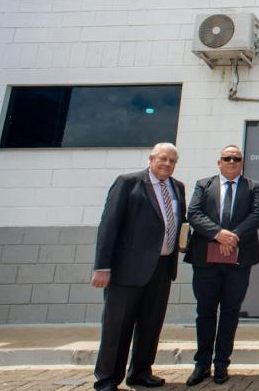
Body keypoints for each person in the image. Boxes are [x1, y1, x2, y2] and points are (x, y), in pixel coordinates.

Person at [91, 143, 185, 391]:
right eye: (163, 159)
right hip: (127, 269)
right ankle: (108, 378)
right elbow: (108, 226)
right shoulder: (128, 183)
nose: (167, 164)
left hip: (162, 268)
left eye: (172, 161)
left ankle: (141, 372)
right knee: (117, 326)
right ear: (151, 158)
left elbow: (178, 223)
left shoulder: (177, 187)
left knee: (151, 324)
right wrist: (102, 267)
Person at [183, 145, 259, 386]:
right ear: (219, 162)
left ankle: (221, 364)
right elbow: (194, 213)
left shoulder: (253, 186)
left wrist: (233, 237)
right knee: (205, 312)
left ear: (242, 162)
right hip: (206, 261)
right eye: (227, 158)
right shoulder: (203, 185)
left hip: (239, 261)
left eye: (236, 158)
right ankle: (202, 364)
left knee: (230, 312)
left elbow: (258, 214)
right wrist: (219, 234)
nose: (231, 162)